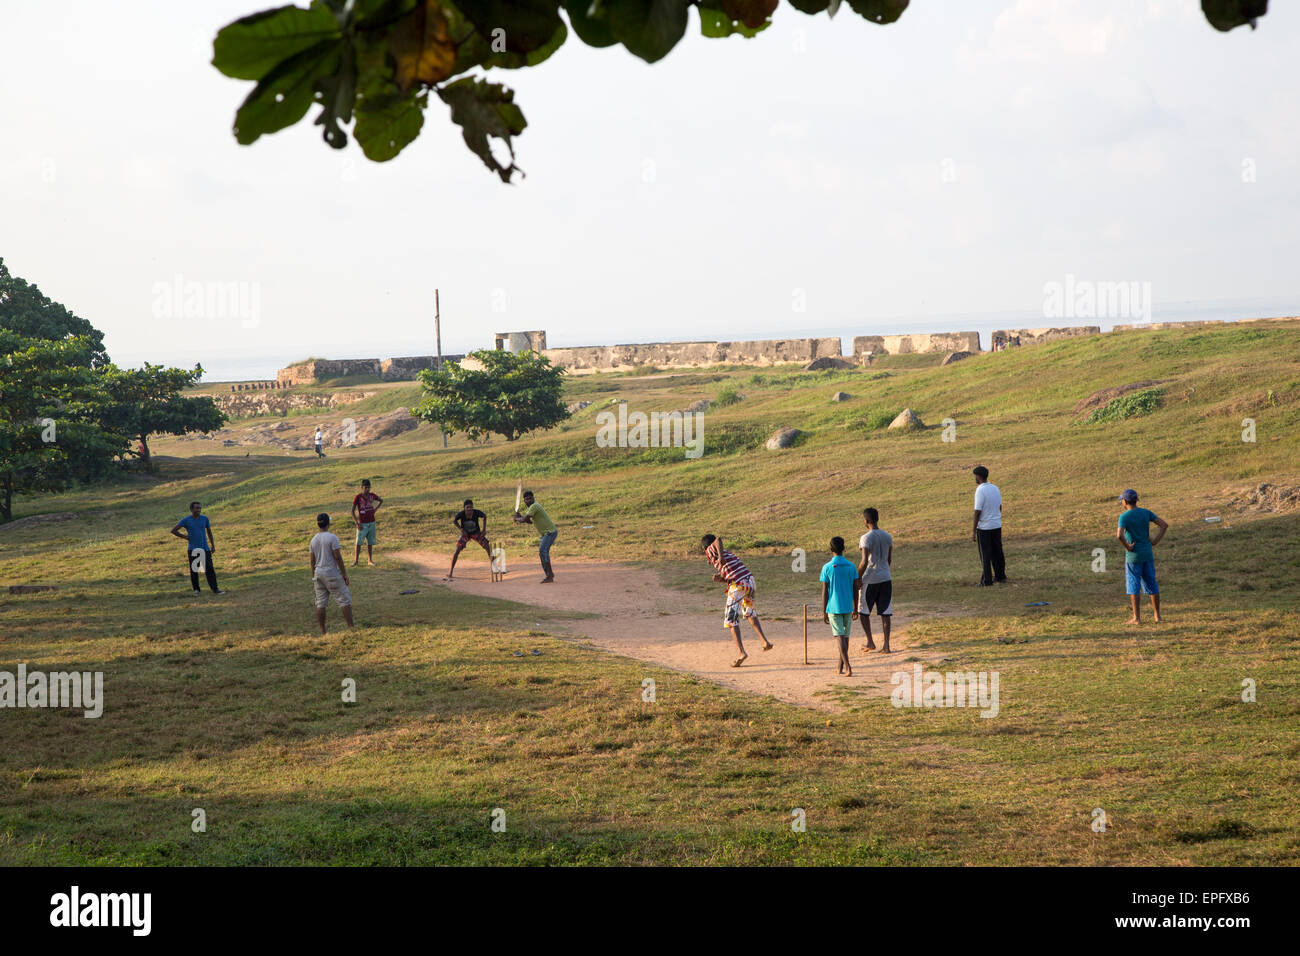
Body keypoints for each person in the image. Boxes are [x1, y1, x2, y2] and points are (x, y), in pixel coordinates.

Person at [701, 533, 773, 667]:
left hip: (739, 585)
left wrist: (720, 557)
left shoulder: (712, 550)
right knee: (749, 612)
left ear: (706, 548)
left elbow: (718, 539)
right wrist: (721, 579)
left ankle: (741, 653)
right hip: (750, 582)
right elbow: (732, 574)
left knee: (730, 619)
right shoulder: (729, 554)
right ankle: (764, 642)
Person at [1116, 489, 1168, 624]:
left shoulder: (1124, 517)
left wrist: (1127, 546)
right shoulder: (1146, 513)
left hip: (1133, 556)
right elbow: (1164, 525)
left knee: (1134, 584)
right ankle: (1157, 616)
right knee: (1151, 583)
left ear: (1125, 501)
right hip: (1147, 554)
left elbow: (1119, 535)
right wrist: (1155, 541)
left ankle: (1136, 618)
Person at [820, 536, 860, 676]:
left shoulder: (827, 567)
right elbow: (856, 589)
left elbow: (825, 591)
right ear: (844, 548)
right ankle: (840, 667)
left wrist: (824, 610)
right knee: (845, 637)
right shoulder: (851, 566)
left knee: (839, 637)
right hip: (848, 606)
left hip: (833, 607)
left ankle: (848, 666)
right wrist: (856, 607)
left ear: (831, 549)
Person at [310, 512, 354, 634]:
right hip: (331, 573)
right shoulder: (332, 538)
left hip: (318, 573)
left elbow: (312, 560)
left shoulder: (313, 540)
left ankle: (323, 631)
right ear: (328, 523)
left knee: (321, 603)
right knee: (344, 600)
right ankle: (351, 628)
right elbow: (338, 557)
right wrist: (344, 574)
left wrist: (314, 574)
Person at [857, 507, 894, 653]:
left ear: (866, 521)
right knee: (885, 612)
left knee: (863, 611)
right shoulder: (888, 536)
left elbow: (864, 561)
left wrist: (858, 578)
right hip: (886, 577)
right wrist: (884, 570)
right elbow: (889, 558)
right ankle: (886, 645)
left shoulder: (865, 538)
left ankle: (870, 642)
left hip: (870, 579)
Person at [170, 500, 224, 595]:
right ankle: (196, 590)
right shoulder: (186, 520)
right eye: (197, 508)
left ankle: (215, 589)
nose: (199, 510)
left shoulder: (205, 519)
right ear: (191, 509)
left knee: (209, 569)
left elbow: (209, 532)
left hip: (205, 548)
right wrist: (185, 537)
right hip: (193, 549)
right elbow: (173, 530)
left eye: (200, 508)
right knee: (195, 570)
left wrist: (213, 545)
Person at [972, 465, 1006, 586]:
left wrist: (973, 530)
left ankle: (987, 580)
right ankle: (1000, 576)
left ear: (979, 476)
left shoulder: (980, 490)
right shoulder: (995, 488)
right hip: (996, 524)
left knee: (985, 554)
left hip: (985, 527)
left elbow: (977, 511)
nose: (975, 478)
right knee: (998, 552)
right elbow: (1000, 506)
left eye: (975, 476)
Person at [513, 490, 557, 583]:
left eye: (530, 498)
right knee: (542, 553)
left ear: (533, 498)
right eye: (526, 499)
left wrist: (517, 518)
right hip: (545, 534)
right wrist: (520, 517)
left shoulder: (535, 506)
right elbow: (528, 521)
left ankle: (549, 575)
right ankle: (549, 574)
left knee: (543, 552)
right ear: (524, 501)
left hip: (550, 532)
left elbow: (525, 519)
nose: (528, 501)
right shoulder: (532, 507)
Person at [447, 499, 490, 580]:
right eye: (467, 508)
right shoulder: (461, 514)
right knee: (457, 550)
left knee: (487, 546)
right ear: (464, 508)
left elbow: (484, 516)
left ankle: (494, 567)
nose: (469, 509)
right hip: (466, 534)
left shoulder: (476, 512)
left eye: (471, 507)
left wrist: (484, 530)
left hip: (476, 533)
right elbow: (454, 521)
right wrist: (461, 530)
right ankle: (450, 571)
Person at [350, 478, 383, 566]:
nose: (368, 489)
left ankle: (370, 560)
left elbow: (381, 500)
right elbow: (352, 511)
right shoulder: (358, 497)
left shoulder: (372, 495)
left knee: (370, 542)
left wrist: (375, 510)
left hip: (372, 522)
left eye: (369, 487)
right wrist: (356, 523)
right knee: (358, 543)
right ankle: (356, 561)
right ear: (362, 487)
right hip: (362, 523)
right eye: (366, 487)